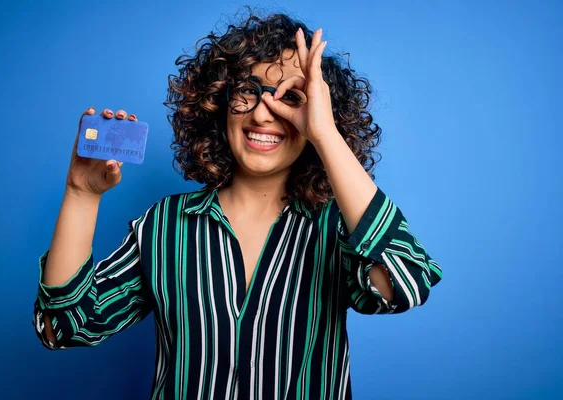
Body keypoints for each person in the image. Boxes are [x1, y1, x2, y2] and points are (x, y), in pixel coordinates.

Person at [32, 10, 443, 400]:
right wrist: (81, 195)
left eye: (291, 98)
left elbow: (405, 282)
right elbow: (62, 327)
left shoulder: (337, 226)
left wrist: (324, 133)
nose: (265, 114)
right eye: (249, 91)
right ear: (220, 101)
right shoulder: (165, 226)